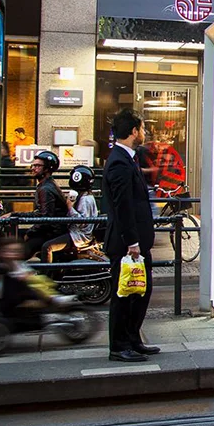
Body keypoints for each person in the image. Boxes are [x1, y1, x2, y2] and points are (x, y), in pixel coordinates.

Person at [104, 110, 157, 362]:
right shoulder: (118, 161)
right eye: (142, 129)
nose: (144, 133)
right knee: (124, 294)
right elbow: (122, 204)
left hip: (136, 242)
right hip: (127, 244)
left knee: (139, 292)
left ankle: (133, 339)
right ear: (134, 131)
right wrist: (132, 242)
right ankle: (119, 345)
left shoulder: (128, 158)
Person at [22, 150, 71, 262]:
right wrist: (14, 214)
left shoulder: (45, 189)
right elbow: (41, 213)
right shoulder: (48, 184)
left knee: (22, 250)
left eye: (38, 166)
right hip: (53, 230)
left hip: (52, 232)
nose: (33, 168)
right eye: (33, 165)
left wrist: (30, 232)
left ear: (47, 169)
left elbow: (45, 218)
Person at [68, 165, 100, 243]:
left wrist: (69, 207)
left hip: (79, 235)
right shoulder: (83, 196)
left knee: (47, 246)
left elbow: (82, 222)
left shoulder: (85, 199)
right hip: (76, 232)